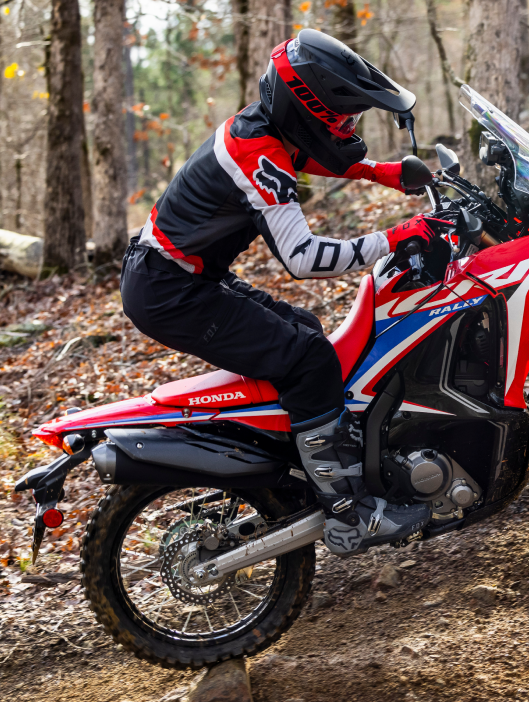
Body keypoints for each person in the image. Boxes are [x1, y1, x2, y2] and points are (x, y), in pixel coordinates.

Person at [119, 29, 446, 556]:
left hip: (179, 274)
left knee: (307, 332)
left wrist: (379, 172)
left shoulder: (263, 128)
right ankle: (349, 513)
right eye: (340, 120)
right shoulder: (257, 152)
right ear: (306, 109)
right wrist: (396, 236)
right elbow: (303, 258)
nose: (347, 128)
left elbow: (304, 156)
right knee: (308, 358)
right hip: (169, 292)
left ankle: (306, 473)